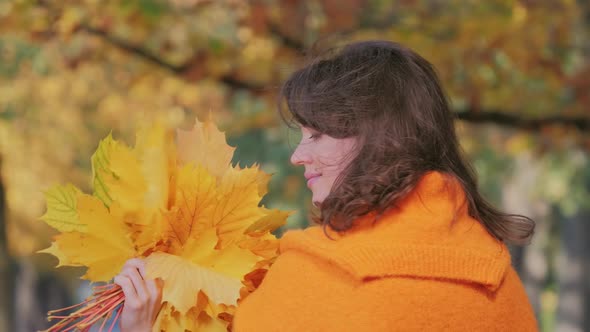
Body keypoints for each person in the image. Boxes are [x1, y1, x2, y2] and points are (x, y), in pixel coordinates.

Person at [114, 40, 538, 331]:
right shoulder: (498, 282)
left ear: (375, 135)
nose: (298, 156)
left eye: (317, 134)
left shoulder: (311, 279)